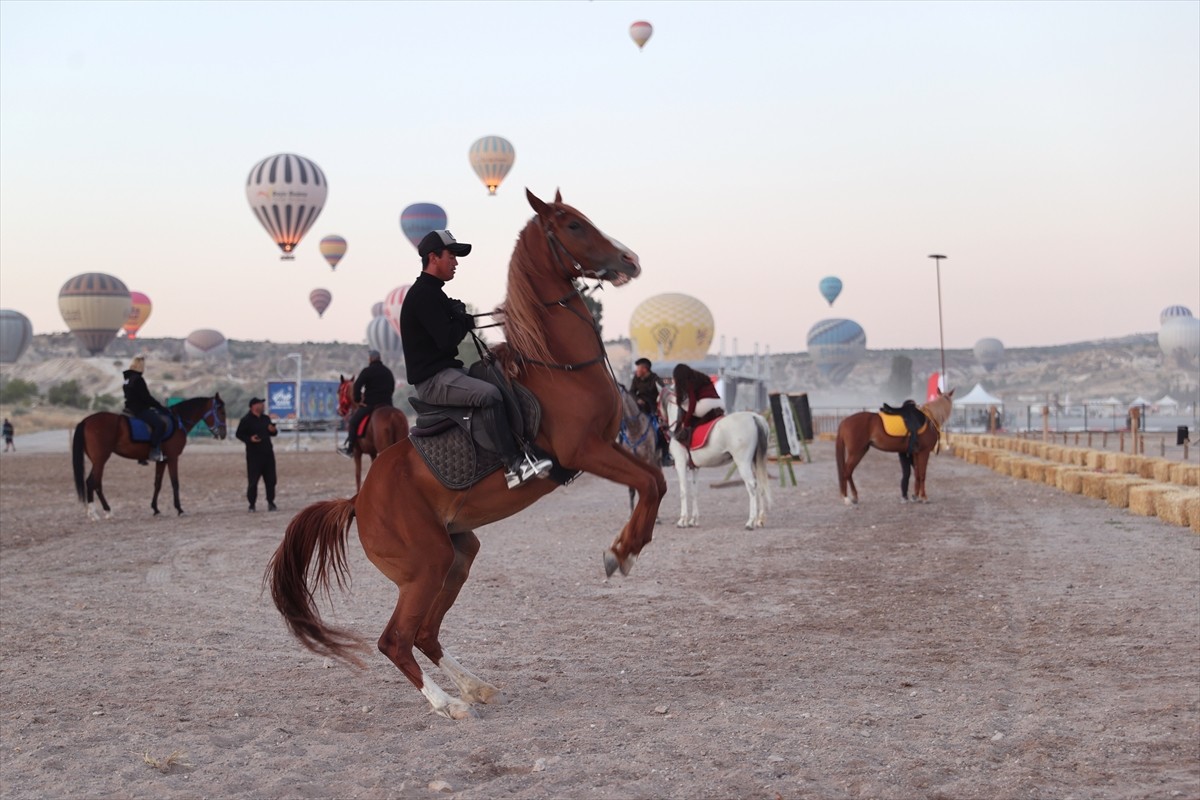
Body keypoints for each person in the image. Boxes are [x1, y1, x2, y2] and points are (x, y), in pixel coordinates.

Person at [400, 228, 552, 489]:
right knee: (488, 395)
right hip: (433, 381)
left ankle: (526, 446)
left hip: (449, 373)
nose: (456, 262)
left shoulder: (434, 292)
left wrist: (459, 316)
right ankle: (513, 464)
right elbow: (447, 339)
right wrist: (462, 319)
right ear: (433, 257)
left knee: (497, 374)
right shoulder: (423, 295)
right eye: (452, 256)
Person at [338, 349, 396, 457]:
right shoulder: (388, 371)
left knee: (353, 422)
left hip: (372, 404)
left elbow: (357, 386)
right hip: (388, 404)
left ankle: (350, 449)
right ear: (379, 358)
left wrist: (358, 400)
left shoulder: (367, 371)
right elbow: (392, 387)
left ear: (371, 359)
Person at [122, 355, 168, 463]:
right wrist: (160, 407)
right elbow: (146, 397)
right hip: (139, 409)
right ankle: (154, 452)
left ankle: (141, 454)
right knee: (160, 425)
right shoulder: (138, 379)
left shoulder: (127, 379)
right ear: (140, 366)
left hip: (128, 408)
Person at [236, 397, 277, 512]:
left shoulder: (266, 418)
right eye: (260, 404)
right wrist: (250, 439)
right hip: (254, 455)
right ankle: (252, 504)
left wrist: (272, 430)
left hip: (268, 453)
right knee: (253, 481)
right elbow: (239, 434)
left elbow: (273, 433)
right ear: (253, 406)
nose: (263, 406)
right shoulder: (246, 420)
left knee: (271, 480)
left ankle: (271, 502)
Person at [629, 358, 672, 466]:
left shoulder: (656, 379)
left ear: (645, 369)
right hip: (639, 410)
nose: (636, 370)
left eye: (638, 368)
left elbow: (663, 394)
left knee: (661, 431)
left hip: (653, 410)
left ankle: (665, 456)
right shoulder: (636, 378)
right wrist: (637, 400)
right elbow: (631, 392)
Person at [671, 363, 725, 446]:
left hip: (706, 405)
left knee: (680, 402)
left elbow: (692, 402)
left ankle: (682, 432)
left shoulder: (688, 381)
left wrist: (686, 422)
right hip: (720, 403)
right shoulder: (700, 377)